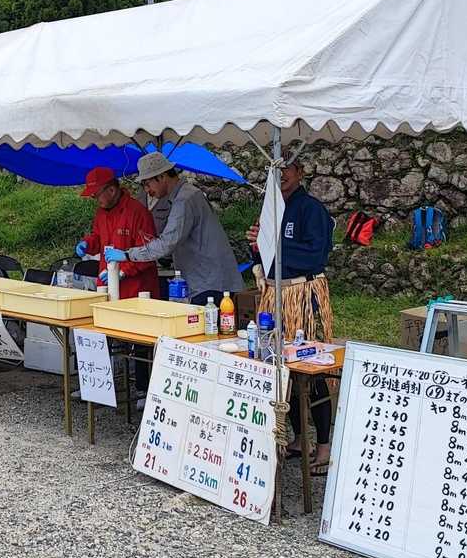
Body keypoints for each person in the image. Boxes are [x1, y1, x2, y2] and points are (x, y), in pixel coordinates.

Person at [246, 157, 336, 467]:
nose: (281, 174)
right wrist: (258, 245)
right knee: (282, 368)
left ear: (300, 172)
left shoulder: (311, 209)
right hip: (275, 295)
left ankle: (323, 445)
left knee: (311, 369)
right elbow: (263, 257)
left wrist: (272, 246)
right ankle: (299, 437)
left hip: (302, 296)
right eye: (276, 169)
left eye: (287, 167)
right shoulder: (271, 210)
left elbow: (316, 256)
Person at [103, 152, 242, 301]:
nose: (147, 190)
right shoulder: (184, 195)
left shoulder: (184, 200)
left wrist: (127, 255)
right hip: (206, 280)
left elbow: (167, 243)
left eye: (147, 184)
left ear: (162, 176)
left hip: (209, 283)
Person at [75, 166, 157, 299]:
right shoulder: (101, 212)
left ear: (112, 190)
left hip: (136, 291)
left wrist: (122, 272)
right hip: (107, 286)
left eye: (96, 195)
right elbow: (98, 237)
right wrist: (87, 244)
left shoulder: (138, 213)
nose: (95, 199)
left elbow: (148, 252)